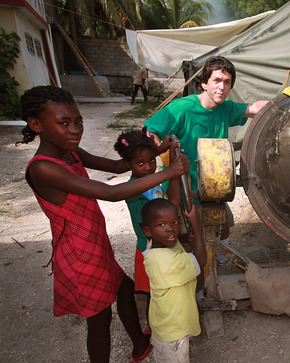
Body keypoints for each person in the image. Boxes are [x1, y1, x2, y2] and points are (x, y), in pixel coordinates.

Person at [20, 85, 189, 362]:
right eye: (63, 123)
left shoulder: (71, 153)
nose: (75, 129)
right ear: (36, 125)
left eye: (78, 121)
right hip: (78, 254)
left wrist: (158, 151)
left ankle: (138, 344)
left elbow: (121, 166)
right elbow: (110, 193)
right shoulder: (44, 168)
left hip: (94, 244)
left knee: (123, 288)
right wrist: (170, 172)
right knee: (99, 320)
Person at [144, 55, 268, 264]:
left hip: (213, 188)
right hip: (184, 189)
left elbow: (254, 107)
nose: (222, 87)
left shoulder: (225, 109)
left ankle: (213, 261)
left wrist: (284, 100)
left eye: (227, 82)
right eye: (216, 80)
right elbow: (149, 130)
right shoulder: (182, 108)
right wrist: (162, 151)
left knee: (223, 228)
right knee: (183, 236)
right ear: (204, 83)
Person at [114, 128, 188, 331]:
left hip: (163, 244)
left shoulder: (153, 182)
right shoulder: (134, 191)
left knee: (165, 290)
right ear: (128, 164)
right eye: (140, 163)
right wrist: (172, 172)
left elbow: (170, 204)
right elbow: (170, 208)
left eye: (152, 161)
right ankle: (154, 329)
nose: (148, 168)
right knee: (152, 294)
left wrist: (172, 169)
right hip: (149, 250)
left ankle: (169, 321)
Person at [141, 198, 206, 363]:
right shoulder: (163, 261)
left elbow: (174, 240)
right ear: (147, 231)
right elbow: (200, 260)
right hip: (172, 334)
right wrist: (197, 227)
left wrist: (184, 238)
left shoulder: (159, 245)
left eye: (175, 222)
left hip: (171, 324)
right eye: (161, 225)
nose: (170, 228)